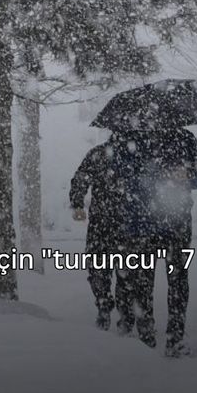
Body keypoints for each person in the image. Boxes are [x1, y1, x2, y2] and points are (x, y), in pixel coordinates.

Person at [112, 127, 197, 358]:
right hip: (143, 223)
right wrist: (151, 175)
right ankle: (147, 338)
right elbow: (118, 174)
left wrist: (187, 175)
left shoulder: (185, 138)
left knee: (178, 281)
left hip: (176, 222)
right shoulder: (130, 139)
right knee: (143, 283)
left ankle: (175, 338)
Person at [69, 136, 126, 331]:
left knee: (101, 268)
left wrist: (78, 203)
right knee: (120, 271)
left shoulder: (99, 153)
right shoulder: (107, 154)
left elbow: (81, 178)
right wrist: (77, 203)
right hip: (119, 222)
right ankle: (116, 310)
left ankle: (108, 307)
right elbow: (81, 178)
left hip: (106, 222)